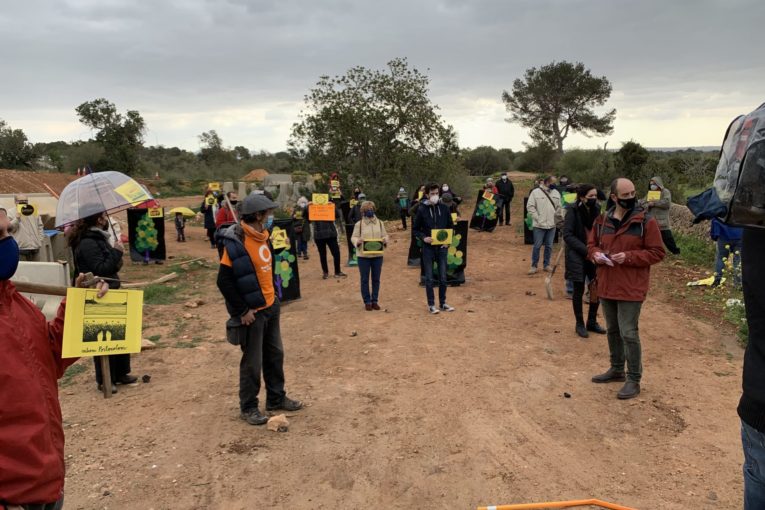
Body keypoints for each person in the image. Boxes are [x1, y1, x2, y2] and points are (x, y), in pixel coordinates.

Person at [1, 207, 110, 509]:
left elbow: (50, 359)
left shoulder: (16, 303)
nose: (9, 243)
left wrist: (81, 303)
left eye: (9, 232)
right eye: (0, 235)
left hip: (48, 482)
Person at [217, 194, 303, 426]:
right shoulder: (237, 242)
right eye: (268, 214)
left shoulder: (263, 236)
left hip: (270, 306)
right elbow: (224, 281)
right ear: (257, 215)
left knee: (275, 354)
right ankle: (248, 407)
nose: (270, 217)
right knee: (252, 362)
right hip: (252, 313)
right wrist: (243, 310)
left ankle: (276, 398)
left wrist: (273, 297)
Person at [588, 178, 665, 400]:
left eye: (633, 193)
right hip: (607, 284)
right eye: (626, 195)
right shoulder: (602, 221)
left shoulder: (645, 221)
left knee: (629, 333)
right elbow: (591, 245)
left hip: (632, 287)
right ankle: (616, 369)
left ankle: (634, 379)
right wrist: (595, 255)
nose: (631, 198)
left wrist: (629, 257)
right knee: (612, 329)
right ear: (614, 197)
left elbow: (657, 252)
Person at [67, 212, 137, 393]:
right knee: (102, 339)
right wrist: (116, 252)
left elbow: (111, 266)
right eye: (104, 217)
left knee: (118, 336)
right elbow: (101, 269)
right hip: (99, 294)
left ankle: (121, 373)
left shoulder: (98, 238)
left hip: (111, 291)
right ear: (98, 219)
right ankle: (105, 379)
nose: (107, 220)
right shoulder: (88, 242)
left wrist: (116, 253)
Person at [563, 184, 606, 338]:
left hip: (594, 254)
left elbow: (600, 231)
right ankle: (579, 323)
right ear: (582, 197)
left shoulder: (597, 211)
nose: (594, 199)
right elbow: (567, 235)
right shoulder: (572, 211)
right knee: (579, 289)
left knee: (596, 287)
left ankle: (592, 321)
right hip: (577, 254)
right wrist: (586, 250)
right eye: (591, 197)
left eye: (595, 196)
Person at [414, 184, 456, 314]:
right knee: (429, 278)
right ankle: (431, 304)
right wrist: (423, 238)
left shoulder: (444, 208)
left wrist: (448, 242)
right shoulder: (422, 209)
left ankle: (443, 303)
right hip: (428, 248)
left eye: (436, 193)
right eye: (432, 193)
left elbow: (451, 226)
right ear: (427, 195)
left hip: (442, 248)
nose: (435, 196)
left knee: (443, 278)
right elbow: (415, 229)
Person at [351, 201, 389, 311]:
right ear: (363, 211)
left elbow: (385, 235)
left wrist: (385, 240)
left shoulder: (380, 223)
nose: (370, 211)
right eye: (367, 209)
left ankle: (375, 300)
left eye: (371, 209)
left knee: (376, 279)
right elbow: (353, 237)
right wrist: (358, 241)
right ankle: (367, 301)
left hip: (377, 255)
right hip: (363, 257)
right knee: (364, 279)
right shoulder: (359, 224)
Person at [526, 176, 562, 274]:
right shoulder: (535, 192)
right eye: (553, 182)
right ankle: (534, 266)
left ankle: (546, 265)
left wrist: (558, 219)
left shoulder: (556, 193)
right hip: (539, 225)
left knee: (549, 246)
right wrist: (537, 218)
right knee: (537, 246)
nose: (555, 184)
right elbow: (530, 206)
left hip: (552, 225)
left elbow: (559, 207)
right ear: (546, 182)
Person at [643, 176, 680, 255]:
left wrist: (654, 203)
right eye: (651, 184)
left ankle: (676, 252)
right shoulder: (650, 194)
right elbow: (643, 203)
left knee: (667, 238)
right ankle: (654, 252)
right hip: (652, 220)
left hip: (662, 221)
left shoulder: (665, 192)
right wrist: (648, 205)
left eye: (654, 184)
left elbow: (666, 203)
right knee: (650, 238)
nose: (652, 186)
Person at [311, 204, 347, 279]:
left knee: (336, 253)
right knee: (322, 255)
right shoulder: (314, 208)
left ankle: (337, 272)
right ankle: (325, 272)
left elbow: (337, 215)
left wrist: (334, 206)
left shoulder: (329, 207)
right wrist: (308, 206)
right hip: (319, 235)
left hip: (331, 234)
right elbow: (306, 216)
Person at [10, 193, 45, 261]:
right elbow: (10, 229)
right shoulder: (10, 212)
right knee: (23, 270)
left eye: (25, 201)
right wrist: (17, 218)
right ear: (15, 202)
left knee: (36, 270)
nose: (24, 203)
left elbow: (40, 226)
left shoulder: (33, 210)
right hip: (21, 249)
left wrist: (39, 240)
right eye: (21, 201)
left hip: (35, 248)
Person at [711, 217, 742, 287]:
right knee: (738, 260)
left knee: (721, 258)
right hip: (739, 237)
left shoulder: (722, 210)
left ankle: (717, 280)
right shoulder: (741, 210)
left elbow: (715, 221)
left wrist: (714, 236)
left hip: (723, 237)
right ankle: (738, 284)